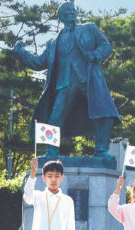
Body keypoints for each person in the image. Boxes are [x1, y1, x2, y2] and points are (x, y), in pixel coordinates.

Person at [13, 2, 121, 159]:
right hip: (64, 83)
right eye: (67, 11)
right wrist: (21, 52)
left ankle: (102, 150)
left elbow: (106, 46)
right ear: (61, 17)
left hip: (89, 80)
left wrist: (94, 55)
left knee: (105, 113)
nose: (71, 12)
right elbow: (38, 63)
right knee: (55, 117)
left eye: (72, 10)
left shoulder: (89, 29)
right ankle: (51, 152)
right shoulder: (52, 43)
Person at [23, 158, 75, 230]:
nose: (53, 180)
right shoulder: (38, 196)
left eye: (57, 176)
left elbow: (70, 225)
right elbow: (27, 196)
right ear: (44, 177)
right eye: (49, 176)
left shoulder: (67, 200)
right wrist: (33, 172)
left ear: (62, 177)